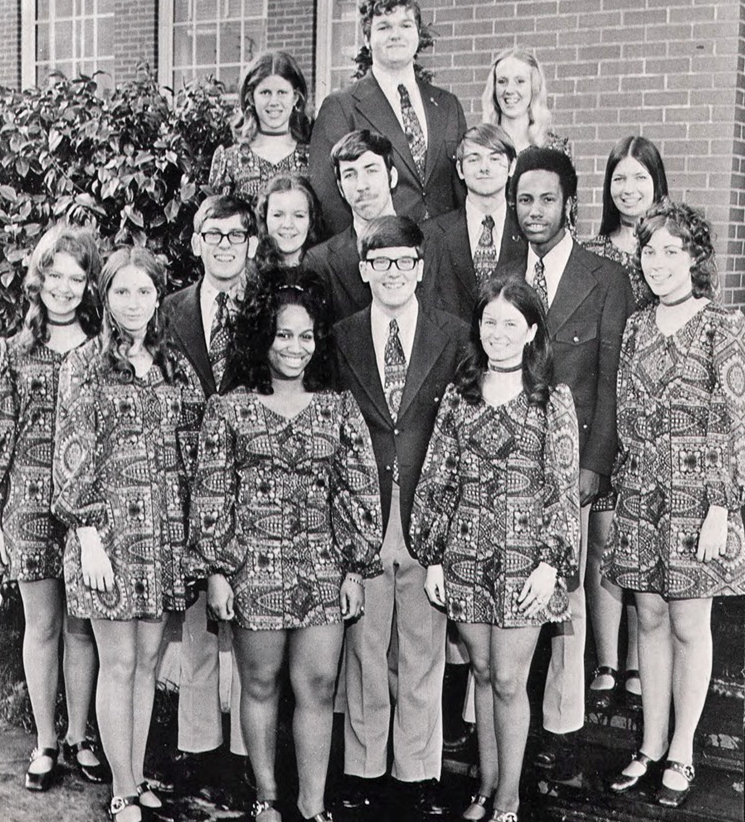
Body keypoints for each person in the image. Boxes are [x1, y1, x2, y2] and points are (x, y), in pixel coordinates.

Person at [188, 267, 382, 822]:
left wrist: (353, 568)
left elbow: (360, 487)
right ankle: (266, 797)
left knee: (319, 685)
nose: (295, 347)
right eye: (283, 334)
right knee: (260, 681)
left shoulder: (338, 407)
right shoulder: (231, 408)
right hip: (254, 565)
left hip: (322, 565)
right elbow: (211, 491)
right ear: (262, 337)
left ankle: (314, 804)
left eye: (306, 335)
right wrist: (218, 570)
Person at [412, 278, 580, 822]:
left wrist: (552, 563)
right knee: (482, 675)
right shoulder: (459, 397)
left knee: (510, 680)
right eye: (490, 322)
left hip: (524, 562)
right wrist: (433, 555)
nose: (499, 333)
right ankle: (485, 788)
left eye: (512, 323)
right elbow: (437, 477)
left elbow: (561, 485)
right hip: (464, 553)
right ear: (477, 329)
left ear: (531, 330)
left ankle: (508, 799)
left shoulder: (552, 400)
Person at [52, 247, 204, 822]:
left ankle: (136, 774)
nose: (133, 303)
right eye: (122, 292)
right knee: (117, 664)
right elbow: (71, 453)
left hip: (161, 536)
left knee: (145, 662)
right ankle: (120, 789)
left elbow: (194, 449)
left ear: (158, 295)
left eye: (144, 292)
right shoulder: (86, 364)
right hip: (108, 538)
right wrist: (87, 532)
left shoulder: (173, 363)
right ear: (105, 296)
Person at [604, 200, 745, 808]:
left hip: (698, 498)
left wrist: (723, 505)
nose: (659, 262)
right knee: (650, 620)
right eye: (650, 250)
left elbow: (735, 420)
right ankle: (650, 743)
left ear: (696, 258)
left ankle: (684, 750)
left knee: (690, 625)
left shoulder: (723, 325)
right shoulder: (636, 325)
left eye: (672, 250)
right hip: (640, 493)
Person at [500, 147, 634, 776]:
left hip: (569, 463)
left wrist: (596, 464)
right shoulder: (499, 273)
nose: (534, 211)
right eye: (524, 199)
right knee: (507, 587)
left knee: (568, 592)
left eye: (546, 199)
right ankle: (500, 719)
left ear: (569, 203)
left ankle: (560, 724)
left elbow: (609, 379)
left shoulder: (604, 276)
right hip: (503, 466)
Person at [334, 215, 470, 817]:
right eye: (380, 262)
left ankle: (416, 771)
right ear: (364, 270)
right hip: (363, 513)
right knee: (366, 649)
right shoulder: (340, 336)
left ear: (421, 267)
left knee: (421, 648)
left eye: (404, 262)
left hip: (427, 513)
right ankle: (363, 768)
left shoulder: (454, 333)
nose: (392, 273)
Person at [0, 224, 106, 792]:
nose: (64, 287)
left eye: (77, 276)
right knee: (42, 624)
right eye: (55, 275)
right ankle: (45, 742)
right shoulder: (13, 352)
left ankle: (81, 736)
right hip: (29, 505)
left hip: (89, 509)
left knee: (83, 626)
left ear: (90, 284)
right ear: (38, 279)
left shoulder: (104, 348)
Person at [161, 194, 256, 788]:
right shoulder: (168, 309)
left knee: (248, 618)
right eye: (212, 234)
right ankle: (197, 743)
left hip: (250, 482)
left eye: (236, 235)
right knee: (196, 613)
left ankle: (251, 747)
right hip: (185, 477)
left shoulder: (268, 307)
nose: (224, 245)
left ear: (251, 244)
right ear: (196, 243)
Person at [583, 135, 669, 709]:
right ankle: (608, 659)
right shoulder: (595, 252)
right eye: (620, 178)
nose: (629, 188)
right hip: (605, 405)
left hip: (653, 414)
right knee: (604, 540)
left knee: (646, 537)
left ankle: (642, 659)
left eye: (640, 177)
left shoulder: (668, 245)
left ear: (656, 184)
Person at [309, 0, 466, 236]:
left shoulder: (447, 105)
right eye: (384, 27)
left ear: (417, 34)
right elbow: (328, 197)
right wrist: (364, 253)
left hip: (443, 255)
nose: (396, 35)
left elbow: (462, 188)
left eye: (405, 25)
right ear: (367, 39)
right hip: (380, 257)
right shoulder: (342, 106)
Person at [421, 123, 524, 322]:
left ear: (512, 166)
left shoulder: (527, 232)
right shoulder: (430, 235)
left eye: (494, 158)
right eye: (473, 159)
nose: (484, 167)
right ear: (460, 169)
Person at [305, 129, 399, 320]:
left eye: (371, 170)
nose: (361, 185)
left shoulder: (432, 244)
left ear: (392, 177)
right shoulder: (320, 262)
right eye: (349, 175)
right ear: (340, 188)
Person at [209, 51, 311, 206]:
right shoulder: (229, 160)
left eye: (282, 93)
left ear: (296, 97)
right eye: (265, 93)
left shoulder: (312, 157)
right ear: (251, 98)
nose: (274, 102)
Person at [481, 47, 572, 158]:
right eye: (502, 81)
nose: (509, 90)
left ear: (534, 88)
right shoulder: (478, 148)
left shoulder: (556, 151)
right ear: (494, 88)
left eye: (520, 81)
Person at [253, 173, 324, 272]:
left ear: (311, 220)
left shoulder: (325, 270)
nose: (287, 225)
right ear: (264, 217)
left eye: (299, 215)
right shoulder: (249, 273)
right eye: (278, 215)